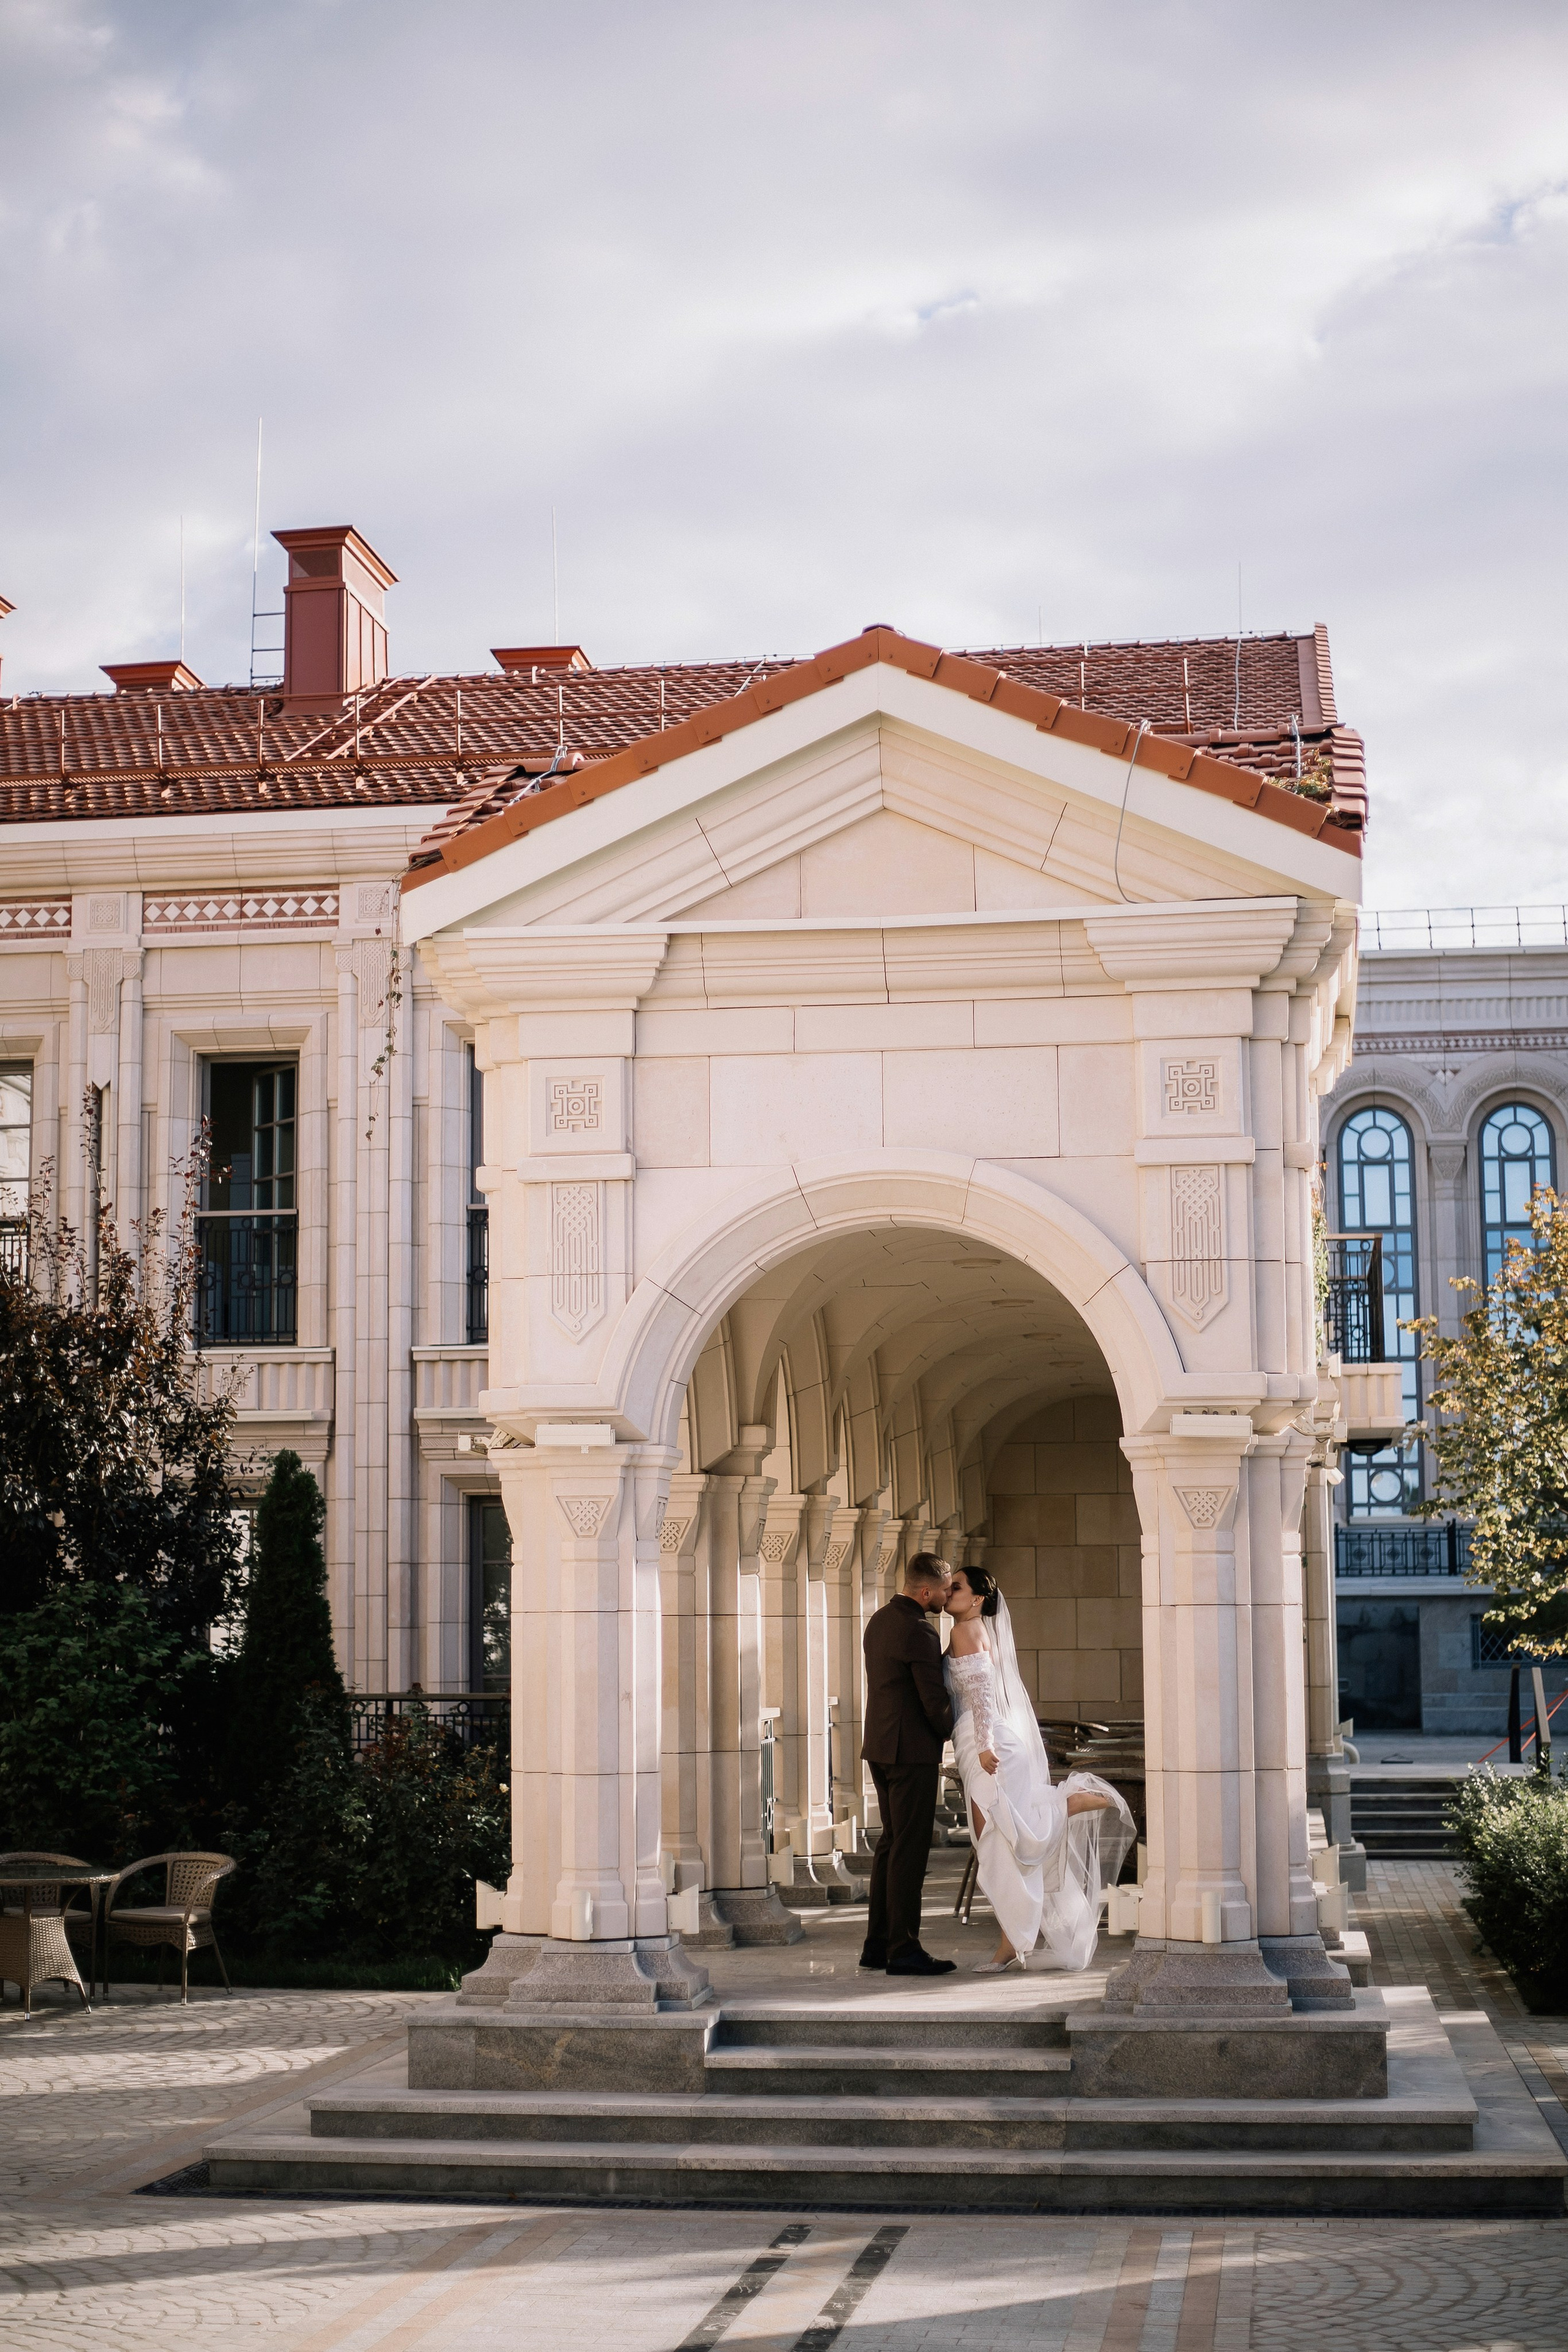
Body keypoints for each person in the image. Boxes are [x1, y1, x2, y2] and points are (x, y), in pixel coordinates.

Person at [944, 1562, 1134, 1973]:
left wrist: (984, 1746)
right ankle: (1063, 1808)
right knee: (999, 1840)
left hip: (987, 1743)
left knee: (996, 1841)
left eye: (956, 1587)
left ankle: (1011, 1940)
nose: (949, 1591)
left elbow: (980, 1694)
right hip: (982, 1740)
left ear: (977, 1598)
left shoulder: (966, 1630)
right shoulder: (971, 1630)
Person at [859, 1551, 958, 1976]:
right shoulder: (920, 1630)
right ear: (925, 1591)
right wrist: (959, 1731)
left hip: (879, 1749)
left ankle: (877, 1945)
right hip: (910, 1752)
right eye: (944, 1590)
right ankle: (904, 1949)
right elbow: (932, 1699)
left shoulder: (879, 1619)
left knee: (890, 1845)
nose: (948, 1595)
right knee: (909, 1852)